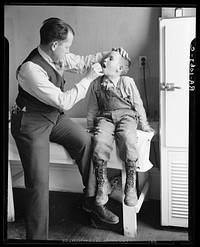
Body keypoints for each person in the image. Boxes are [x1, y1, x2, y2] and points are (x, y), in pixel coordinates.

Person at [10, 17, 129, 240]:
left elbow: (84, 61)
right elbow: (64, 101)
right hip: (31, 122)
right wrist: (88, 79)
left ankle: (91, 202)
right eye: (67, 46)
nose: (69, 51)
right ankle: (36, 238)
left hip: (54, 118)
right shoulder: (30, 70)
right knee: (38, 184)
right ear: (54, 44)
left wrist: (110, 54)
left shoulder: (59, 56)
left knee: (87, 143)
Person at [87, 50, 154, 207]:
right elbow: (92, 107)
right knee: (99, 140)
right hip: (105, 117)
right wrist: (91, 125)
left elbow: (138, 104)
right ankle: (102, 183)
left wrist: (144, 124)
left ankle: (130, 184)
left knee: (128, 138)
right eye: (105, 57)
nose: (105, 59)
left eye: (110, 58)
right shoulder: (96, 83)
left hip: (126, 116)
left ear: (119, 69)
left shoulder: (127, 82)